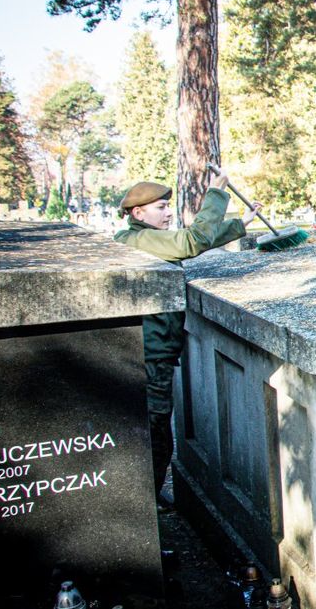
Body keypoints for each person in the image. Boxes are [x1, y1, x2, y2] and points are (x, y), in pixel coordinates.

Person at [115, 172, 260, 509]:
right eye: (161, 207)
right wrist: (216, 194)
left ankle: (148, 504)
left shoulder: (142, 239)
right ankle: (143, 516)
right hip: (149, 359)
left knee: (158, 435)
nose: (168, 213)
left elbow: (190, 241)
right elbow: (190, 242)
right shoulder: (135, 240)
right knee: (155, 439)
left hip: (156, 354)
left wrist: (239, 224)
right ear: (138, 214)